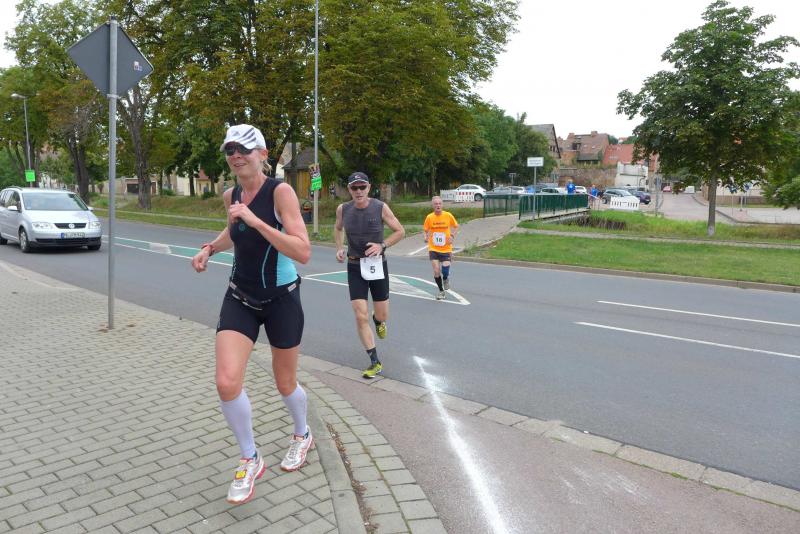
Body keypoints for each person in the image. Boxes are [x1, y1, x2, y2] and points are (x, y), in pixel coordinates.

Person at [191, 124, 313, 505]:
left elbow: (303, 251)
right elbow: (233, 231)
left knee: (285, 383)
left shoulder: (281, 192)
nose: (235, 156)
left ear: (262, 153)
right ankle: (250, 457)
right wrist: (211, 248)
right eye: (230, 149)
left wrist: (258, 221)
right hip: (240, 297)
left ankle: (302, 433)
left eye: (243, 149)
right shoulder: (231, 195)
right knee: (226, 382)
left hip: (281, 299)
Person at [335, 172, 405, 378]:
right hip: (354, 266)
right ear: (349, 189)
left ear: (369, 187)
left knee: (382, 315)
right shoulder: (343, 209)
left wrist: (382, 245)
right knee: (360, 314)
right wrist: (339, 247)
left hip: (377, 265)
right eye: (354, 188)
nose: (358, 191)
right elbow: (338, 229)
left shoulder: (380, 207)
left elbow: (400, 231)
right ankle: (374, 361)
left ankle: (378, 320)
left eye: (362, 187)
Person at [423, 196, 458, 300]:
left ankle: (446, 278)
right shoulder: (429, 217)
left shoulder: (448, 215)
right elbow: (425, 230)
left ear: (442, 205)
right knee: (436, 271)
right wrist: (425, 237)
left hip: (446, 248)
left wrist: (452, 236)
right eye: (436, 204)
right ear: (433, 205)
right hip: (433, 248)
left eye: (439, 203)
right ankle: (441, 291)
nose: (438, 205)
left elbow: (456, 226)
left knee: (445, 270)